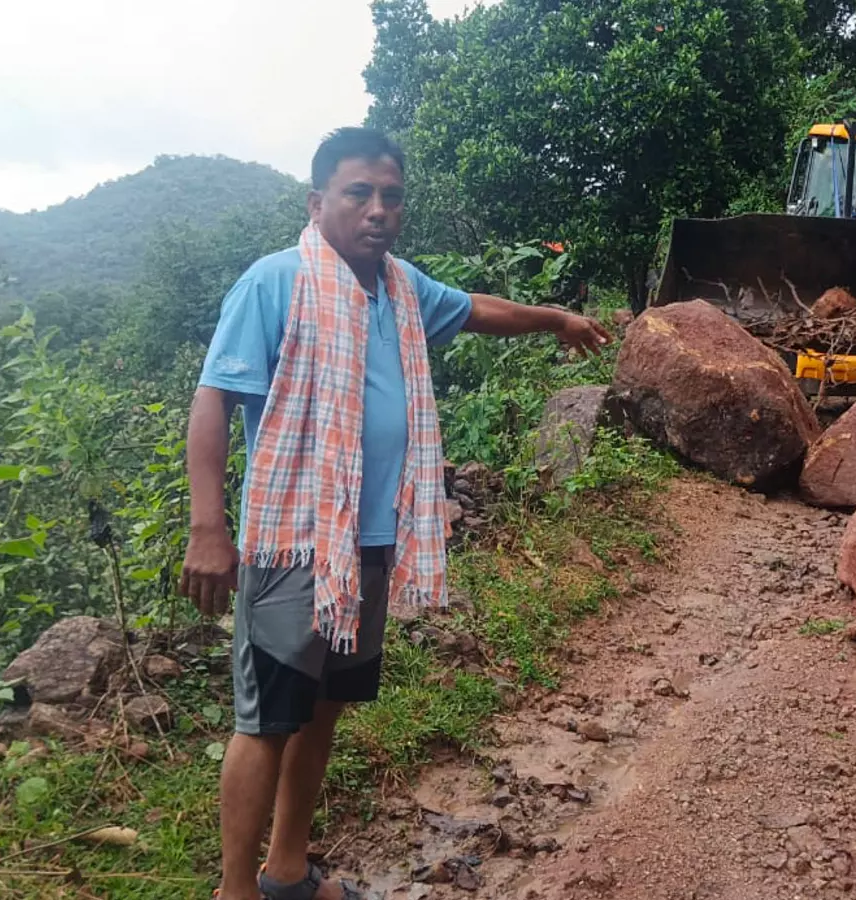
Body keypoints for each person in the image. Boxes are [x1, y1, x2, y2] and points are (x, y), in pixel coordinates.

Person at [179, 127, 611, 900]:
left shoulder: (401, 288)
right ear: (318, 203)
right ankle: (235, 892)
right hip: (295, 542)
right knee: (268, 719)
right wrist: (209, 528)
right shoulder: (275, 283)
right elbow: (214, 399)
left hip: (371, 541)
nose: (378, 209)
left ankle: (287, 873)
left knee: (324, 712)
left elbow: (476, 307)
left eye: (391, 196)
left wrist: (556, 318)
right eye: (358, 194)